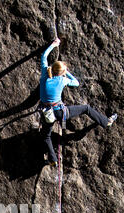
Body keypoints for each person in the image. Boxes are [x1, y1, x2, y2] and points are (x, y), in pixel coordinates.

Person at [39, 38, 118, 167]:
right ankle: (106, 122)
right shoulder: (62, 80)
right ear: (61, 73)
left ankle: (53, 159)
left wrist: (53, 45)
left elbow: (44, 56)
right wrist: (66, 74)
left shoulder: (44, 73)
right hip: (60, 112)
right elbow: (76, 83)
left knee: (46, 136)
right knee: (86, 108)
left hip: (47, 113)